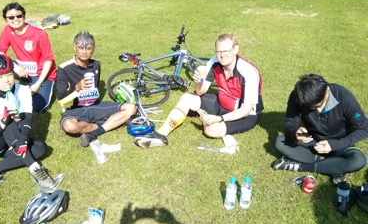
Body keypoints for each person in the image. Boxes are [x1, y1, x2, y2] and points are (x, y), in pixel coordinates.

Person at [134, 33, 263, 149]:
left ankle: (213, 122)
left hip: (244, 115)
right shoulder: (215, 61)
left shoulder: (248, 72)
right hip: (222, 104)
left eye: (226, 51)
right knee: (187, 98)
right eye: (219, 51)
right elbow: (201, 91)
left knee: (210, 130)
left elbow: (245, 110)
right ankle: (161, 135)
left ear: (235, 49)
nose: (222, 55)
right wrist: (198, 80)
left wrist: (219, 118)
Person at [0, 53, 63, 193]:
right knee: (10, 121)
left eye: (8, 75)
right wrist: (3, 120)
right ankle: (35, 169)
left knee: (40, 148)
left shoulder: (23, 90)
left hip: (11, 140)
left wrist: (23, 140)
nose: (6, 80)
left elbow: (27, 119)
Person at [273, 74, 368, 185]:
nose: (317, 111)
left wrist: (334, 145)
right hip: (313, 143)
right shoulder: (297, 96)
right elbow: (290, 122)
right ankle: (334, 167)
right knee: (280, 142)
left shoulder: (343, 96)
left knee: (358, 160)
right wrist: (295, 133)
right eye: (311, 108)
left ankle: (301, 166)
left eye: (319, 105)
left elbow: (364, 128)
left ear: (327, 90)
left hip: (340, 144)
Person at [57, 31, 137, 147]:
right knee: (69, 126)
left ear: (93, 49)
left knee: (131, 108)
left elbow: (95, 87)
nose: (84, 52)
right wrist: (77, 88)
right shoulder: (64, 68)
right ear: (74, 48)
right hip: (76, 109)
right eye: (80, 48)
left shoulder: (96, 64)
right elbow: (61, 99)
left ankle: (94, 132)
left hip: (94, 104)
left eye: (88, 48)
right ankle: (108, 122)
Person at [0, 2, 57, 112]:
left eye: (19, 16)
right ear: (6, 19)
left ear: (24, 16)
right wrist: (14, 66)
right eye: (11, 17)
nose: (15, 19)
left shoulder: (40, 34)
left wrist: (38, 84)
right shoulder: (7, 30)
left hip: (43, 74)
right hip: (22, 71)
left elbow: (49, 60)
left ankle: (35, 84)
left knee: (38, 107)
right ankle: (5, 90)